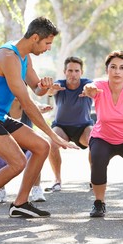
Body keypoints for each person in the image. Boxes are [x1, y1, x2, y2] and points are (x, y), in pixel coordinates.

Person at [0, 16, 79, 223]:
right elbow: (26, 102)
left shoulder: (25, 57)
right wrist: (55, 135)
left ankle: (20, 204)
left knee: (41, 147)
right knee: (17, 162)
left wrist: (44, 87)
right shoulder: (8, 57)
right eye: (47, 43)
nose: (48, 48)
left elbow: (35, 88)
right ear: (35, 37)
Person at [81, 50, 123, 217]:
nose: (117, 71)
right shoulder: (99, 86)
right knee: (97, 158)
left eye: (122, 67)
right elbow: (89, 87)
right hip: (102, 136)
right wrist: (88, 88)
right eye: (113, 67)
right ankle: (99, 203)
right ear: (107, 70)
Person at [0, 98, 53, 204]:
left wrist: (42, 108)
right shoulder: (3, 108)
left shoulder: (27, 106)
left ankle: (36, 189)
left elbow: (37, 107)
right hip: (9, 147)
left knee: (34, 157)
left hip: (27, 146)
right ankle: (0, 191)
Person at [45, 57, 93, 192]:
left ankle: (95, 179)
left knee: (95, 141)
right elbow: (50, 92)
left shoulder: (87, 84)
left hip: (83, 127)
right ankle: (57, 180)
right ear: (65, 71)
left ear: (81, 72)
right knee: (51, 144)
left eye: (76, 71)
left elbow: (93, 88)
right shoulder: (58, 85)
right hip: (62, 127)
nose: (73, 74)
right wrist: (51, 89)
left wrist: (89, 91)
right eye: (70, 70)